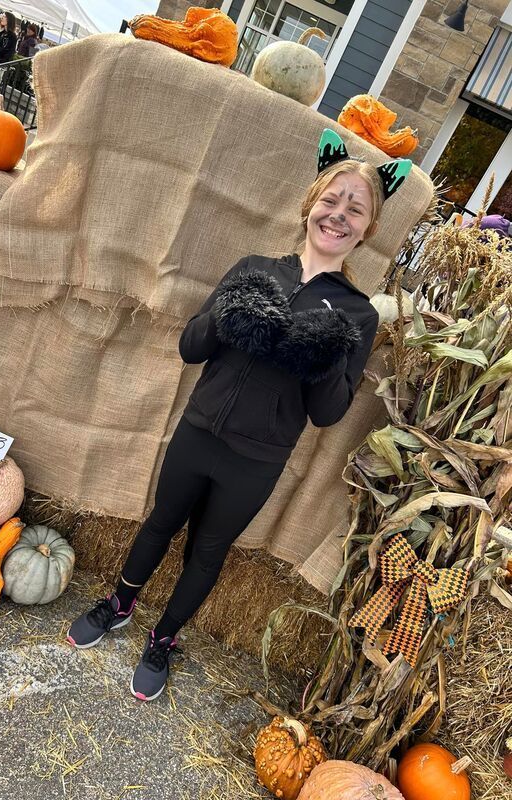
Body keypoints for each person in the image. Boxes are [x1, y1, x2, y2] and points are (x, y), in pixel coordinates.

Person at [67, 129, 413, 702]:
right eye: (331, 200)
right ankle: (120, 603)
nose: (338, 215)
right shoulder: (254, 268)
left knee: (208, 550)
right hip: (199, 432)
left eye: (356, 208)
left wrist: (327, 346)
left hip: (256, 459)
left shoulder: (357, 313)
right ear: (310, 205)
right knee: (159, 523)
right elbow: (191, 348)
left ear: (368, 229)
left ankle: (164, 637)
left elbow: (328, 413)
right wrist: (231, 307)